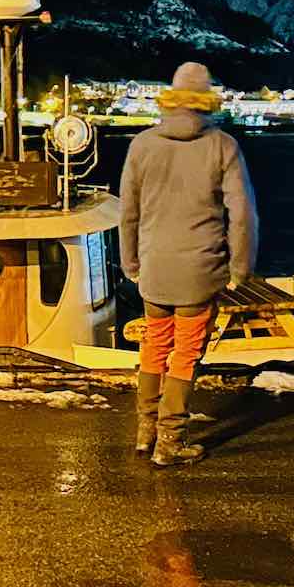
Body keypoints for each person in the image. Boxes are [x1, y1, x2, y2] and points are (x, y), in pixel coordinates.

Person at [120, 61, 258, 467]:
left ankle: (145, 432)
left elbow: (128, 211)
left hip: (155, 269)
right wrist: (240, 268)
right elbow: (243, 213)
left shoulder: (141, 145)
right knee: (185, 354)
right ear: (206, 102)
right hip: (200, 271)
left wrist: (131, 264)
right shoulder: (223, 146)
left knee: (154, 347)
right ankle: (171, 442)